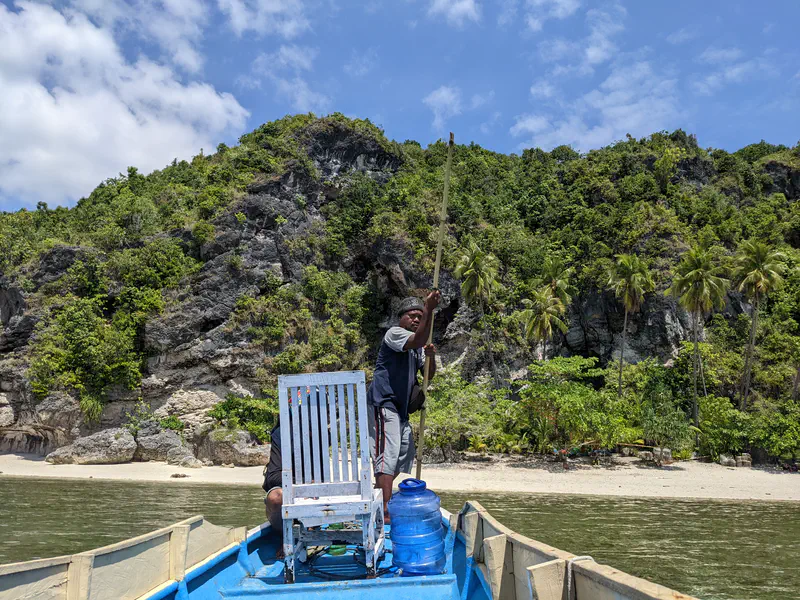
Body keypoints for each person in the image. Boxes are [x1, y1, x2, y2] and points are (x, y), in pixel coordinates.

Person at [367, 291, 440, 521]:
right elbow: (418, 339)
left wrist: (431, 357)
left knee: (403, 455)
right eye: (412, 315)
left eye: (420, 316)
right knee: (387, 458)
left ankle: (380, 492)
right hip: (384, 402)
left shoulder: (417, 346)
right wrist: (428, 308)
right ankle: (386, 512)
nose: (416, 319)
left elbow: (428, 374)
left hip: (401, 409)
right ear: (401, 318)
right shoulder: (395, 334)